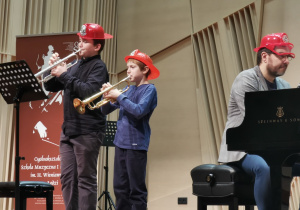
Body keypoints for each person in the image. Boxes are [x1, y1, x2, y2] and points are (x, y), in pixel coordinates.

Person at [218, 32, 295, 210]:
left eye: (288, 56)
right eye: (282, 56)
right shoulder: (246, 79)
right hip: (242, 150)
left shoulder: (284, 86)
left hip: (273, 149)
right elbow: (256, 121)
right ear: (265, 56)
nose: (287, 61)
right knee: (264, 168)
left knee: (288, 163)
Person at [43, 23, 113, 210]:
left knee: (85, 180)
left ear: (97, 46)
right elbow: (51, 87)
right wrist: (54, 70)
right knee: (67, 179)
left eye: (84, 41)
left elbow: (89, 91)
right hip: (68, 131)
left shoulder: (99, 67)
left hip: (88, 131)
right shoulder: (74, 65)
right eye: (79, 40)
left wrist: (64, 74)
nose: (79, 44)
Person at [101, 49, 160, 210]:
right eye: (127, 67)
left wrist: (118, 96)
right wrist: (105, 97)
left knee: (137, 191)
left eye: (132, 67)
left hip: (136, 144)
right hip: (120, 144)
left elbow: (139, 111)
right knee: (120, 189)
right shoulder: (130, 90)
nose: (128, 70)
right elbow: (105, 111)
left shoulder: (149, 90)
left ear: (145, 69)